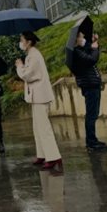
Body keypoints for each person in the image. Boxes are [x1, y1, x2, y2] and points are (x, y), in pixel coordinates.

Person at [16, 32, 63, 170]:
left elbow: (27, 75)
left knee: (44, 128)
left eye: (22, 40)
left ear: (28, 42)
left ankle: (54, 157)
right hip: (36, 96)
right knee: (38, 128)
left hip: (40, 96)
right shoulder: (31, 55)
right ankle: (42, 154)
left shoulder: (35, 56)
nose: (21, 43)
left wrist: (19, 66)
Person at [73, 32, 107, 151]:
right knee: (91, 115)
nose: (84, 39)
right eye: (82, 37)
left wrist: (94, 43)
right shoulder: (76, 53)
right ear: (76, 39)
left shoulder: (80, 50)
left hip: (92, 84)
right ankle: (91, 142)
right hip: (89, 85)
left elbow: (90, 51)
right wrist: (94, 48)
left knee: (93, 114)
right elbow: (92, 59)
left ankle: (92, 140)